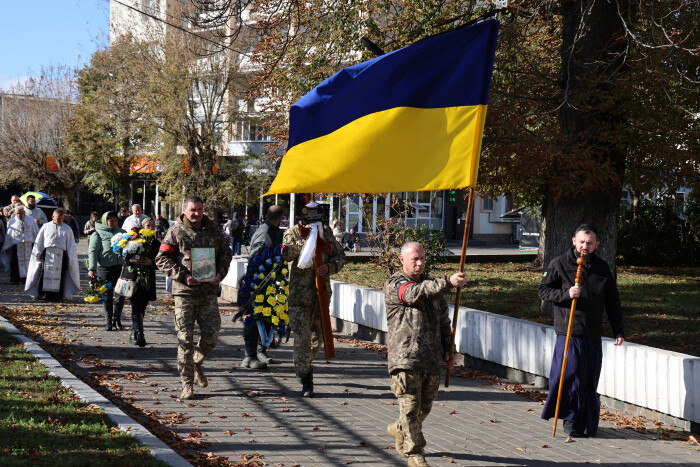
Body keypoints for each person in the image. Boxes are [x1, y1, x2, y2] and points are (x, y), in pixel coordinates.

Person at [539, 224, 624, 438]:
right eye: (581, 242)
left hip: (593, 334)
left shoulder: (602, 268)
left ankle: (586, 423)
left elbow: (612, 301)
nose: (585, 246)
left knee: (588, 380)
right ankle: (570, 420)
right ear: (573, 241)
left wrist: (618, 330)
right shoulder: (559, 263)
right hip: (569, 332)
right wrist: (566, 293)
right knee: (568, 378)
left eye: (589, 243)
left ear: (596, 245)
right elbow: (543, 290)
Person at [384, 241, 464, 467]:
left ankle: (399, 430)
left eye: (422, 259)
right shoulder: (395, 284)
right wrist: (448, 282)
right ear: (402, 260)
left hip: (431, 360)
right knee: (409, 408)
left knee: (423, 408)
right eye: (414, 259)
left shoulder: (434, 289)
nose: (419, 263)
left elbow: (444, 323)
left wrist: (450, 352)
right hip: (405, 359)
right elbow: (412, 295)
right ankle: (414, 454)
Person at [156, 195, 232, 400]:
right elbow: (161, 258)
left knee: (212, 334)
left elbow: (226, 253)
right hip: (185, 292)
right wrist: (183, 276)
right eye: (192, 210)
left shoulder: (215, 230)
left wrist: (220, 273)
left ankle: (196, 362)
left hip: (208, 293)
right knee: (185, 339)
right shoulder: (175, 231)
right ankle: (187, 384)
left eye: (199, 209)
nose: (196, 213)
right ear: (184, 210)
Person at [281, 202, 345, 397]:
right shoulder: (293, 232)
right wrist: (304, 240)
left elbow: (340, 258)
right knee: (302, 340)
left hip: (321, 297)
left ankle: (304, 363)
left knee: (318, 340)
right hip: (299, 298)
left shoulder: (327, 235)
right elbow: (286, 254)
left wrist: (329, 267)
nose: (314, 222)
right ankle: (306, 377)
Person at [241, 205, 285, 369]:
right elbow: (256, 258)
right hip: (259, 284)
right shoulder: (265, 232)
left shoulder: (271, 230)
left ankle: (260, 351)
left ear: (266, 214)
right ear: (280, 218)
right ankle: (250, 356)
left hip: (269, 283)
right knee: (254, 319)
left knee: (267, 317)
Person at [25, 208, 80, 302]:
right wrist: (38, 254)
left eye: (61, 219)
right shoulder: (45, 227)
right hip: (48, 254)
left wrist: (71, 258)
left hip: (62, 255)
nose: (59, 220)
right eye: (57, 218)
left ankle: (58, 296)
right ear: (53, 217)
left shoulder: (67, 229)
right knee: (45, 274)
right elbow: (39, 241)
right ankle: (45, 294)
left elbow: (71, 245)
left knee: (60, 275)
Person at [122, 217, 161, 347]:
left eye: (152, 226)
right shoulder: (133, 239)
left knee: (142, 306)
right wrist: (131, 261)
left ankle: (135, 331)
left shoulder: (156, 243)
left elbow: (161, 261)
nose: (150, 228)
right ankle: (139, 335)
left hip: (148, 278)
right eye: (148, 225)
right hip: (134, 277)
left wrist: (152, 263)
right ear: (142, 227)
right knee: (136, 305)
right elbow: (124, 257)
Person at [88, 212, 126, 331]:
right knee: (107, 295)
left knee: (121, 295)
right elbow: (93, 251)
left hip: (120, 268)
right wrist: (92, 268)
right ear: (105, 221)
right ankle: (109, 320)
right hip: (105, 268)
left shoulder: (122, 232)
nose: (113, 223)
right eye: (111, 221)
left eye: (115, 220)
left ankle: (117, 319)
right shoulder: (97, 233)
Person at [0, 206, 39, 285]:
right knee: (15, 263)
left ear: (24, 212)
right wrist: (8, 246)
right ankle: (15, 279)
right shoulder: (13, 221)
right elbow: (9, 235)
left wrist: (37, 244)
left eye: (20, 213)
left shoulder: (30, 220)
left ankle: (28, 279)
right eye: (17, 213)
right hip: (17, 245)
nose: (19, 215)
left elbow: (36, 231)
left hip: (29, 245)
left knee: (30, 262)